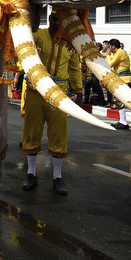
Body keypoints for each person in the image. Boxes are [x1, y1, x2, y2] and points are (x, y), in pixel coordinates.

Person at [20, 13, 82, 196]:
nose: (59, 24)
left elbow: (74, 67)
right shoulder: (38, 35)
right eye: (56, 20)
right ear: (50, 20)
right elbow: (23, 48)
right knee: (32, 131)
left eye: (63, 21)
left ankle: (57, 176)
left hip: (59, 95)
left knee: (59, 133)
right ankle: (31, 173)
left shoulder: (70, 43)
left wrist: (78, 91)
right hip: (35, 91)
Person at [106, 39, 131, 130]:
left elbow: (110, 63)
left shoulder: (120, 52)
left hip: (123, 78)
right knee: (118, 99)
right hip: (122, 78)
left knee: (119, 99)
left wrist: (107, 55)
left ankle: (124, 122)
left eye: (109, 47)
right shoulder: (119, 52)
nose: (109, 48)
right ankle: (122, 121)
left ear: (113, 46)